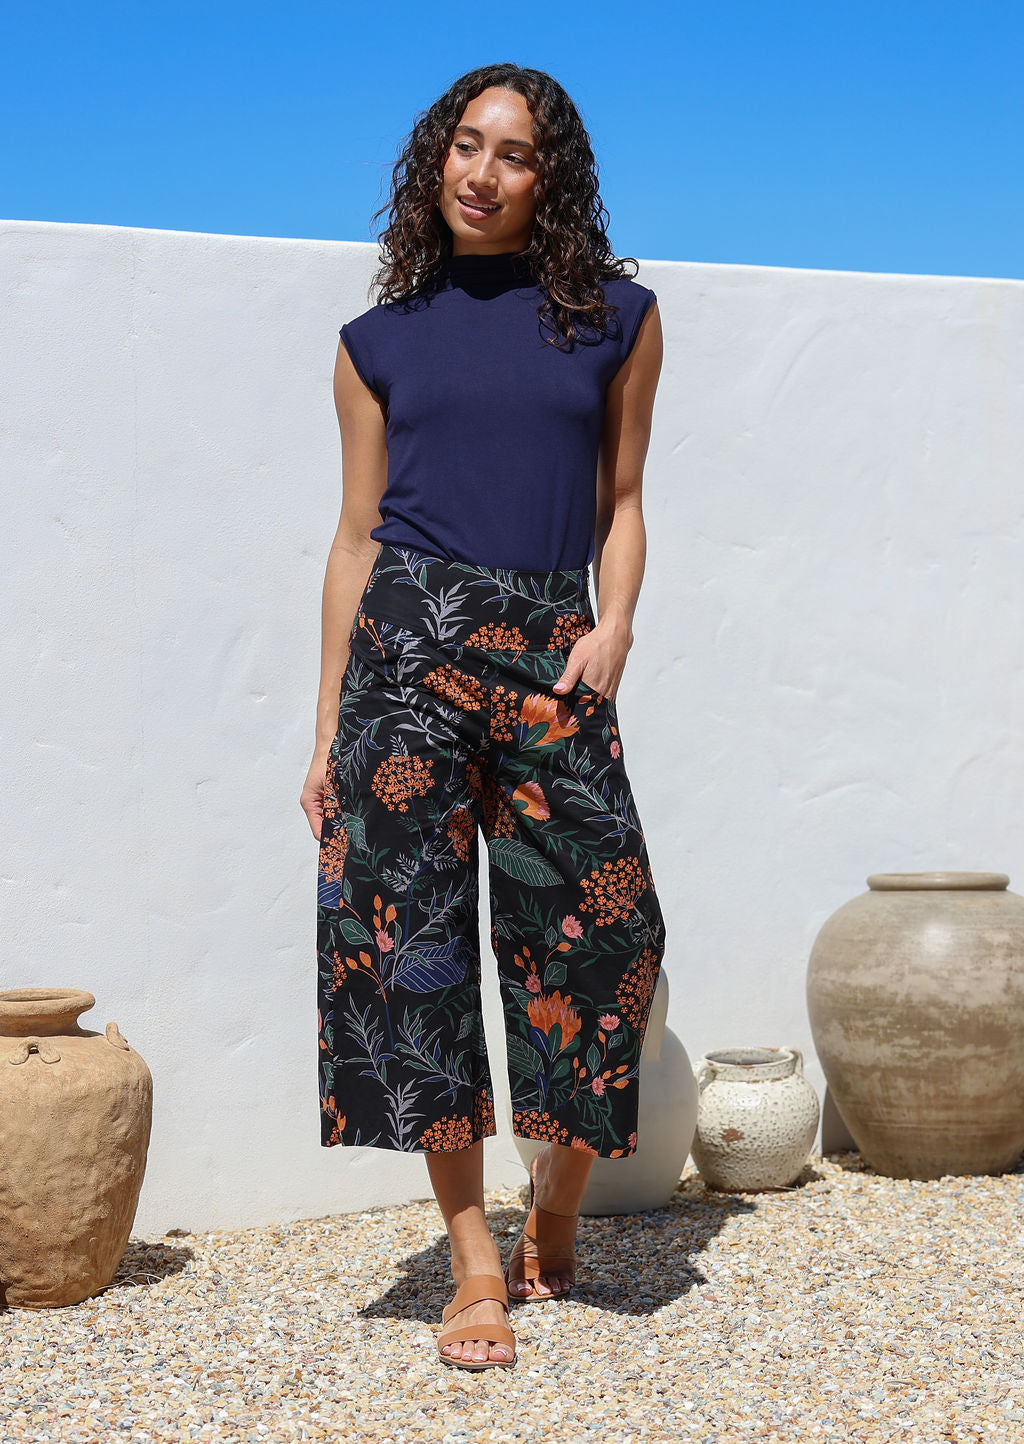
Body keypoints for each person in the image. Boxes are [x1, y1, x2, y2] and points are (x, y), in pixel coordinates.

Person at [300, 62, 667, 1371]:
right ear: (435, 160)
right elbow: (355, 537)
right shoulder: (377, 342)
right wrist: (327, 729)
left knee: (610, 932)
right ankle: (470, 1261)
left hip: (550, 650)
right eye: (466, 144)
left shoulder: (618, 320)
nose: (482, 171)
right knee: (412, 945)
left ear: (548, 178)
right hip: (404, 651)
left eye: (513, 153)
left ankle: (554, 1207)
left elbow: (622, 500)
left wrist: (613, 627)